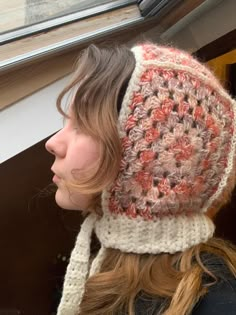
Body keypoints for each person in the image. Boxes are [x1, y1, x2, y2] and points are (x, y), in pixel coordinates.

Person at [45, 42, 236, 315]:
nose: (53, 143)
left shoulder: (219, 303)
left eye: (83, 124)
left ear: (151, 158)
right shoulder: (97, 262)